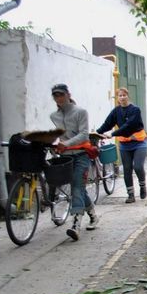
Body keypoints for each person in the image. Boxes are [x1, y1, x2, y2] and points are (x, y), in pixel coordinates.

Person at [49, 83, 99, 241]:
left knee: (77, 187)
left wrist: (67, 143)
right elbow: (60, 135)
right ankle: (93, 216)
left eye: (61, 95)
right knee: (79, 188)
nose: (59, 98)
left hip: (82, 155)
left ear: (68, 95)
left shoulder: (80, 112)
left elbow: (84, 135)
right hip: (66, 158)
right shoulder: (53, 116)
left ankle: (75, 225)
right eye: (55, 96)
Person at [97, 87, 147, 203]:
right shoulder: (116, 111)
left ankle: (142, 186)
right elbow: (107, 124)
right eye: (120, 96)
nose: (122, 97)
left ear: (128, 96)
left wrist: (113, 134)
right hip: (125, 144)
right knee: (127, 168)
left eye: (124, 95)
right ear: (117, 99)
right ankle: (130, 195)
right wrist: (97, 132)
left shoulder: (135, 110)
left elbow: (129, 125)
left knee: (138, 166)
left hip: (139, 142)